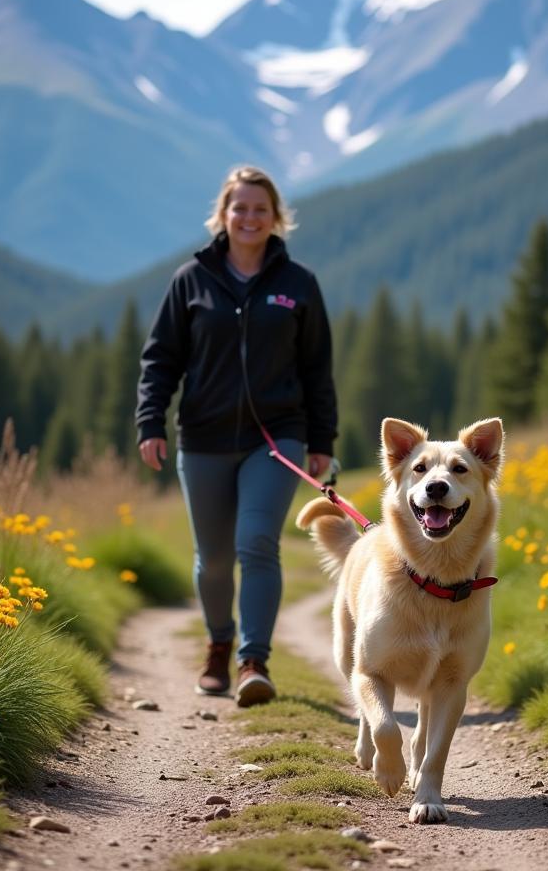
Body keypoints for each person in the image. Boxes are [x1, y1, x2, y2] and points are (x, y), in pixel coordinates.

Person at [136, 165, 337, 707]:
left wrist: (323, 441)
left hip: (276, 441)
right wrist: (150, 421)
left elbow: (318, 369)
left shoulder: (298, 285)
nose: (250, 218)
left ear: (277, 220)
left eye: (260, 209)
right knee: (215, 558)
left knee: (256, 544)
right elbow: (160, 360)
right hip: (201, 438)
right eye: (240, 208)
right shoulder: (191, 281)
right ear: (223, 215)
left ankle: (254, 661)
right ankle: (219, 643)